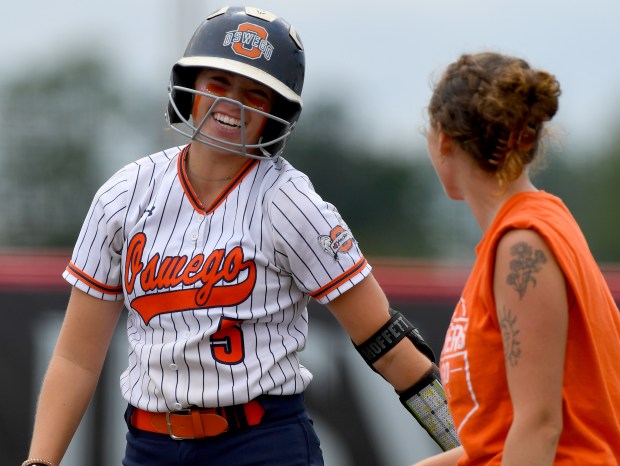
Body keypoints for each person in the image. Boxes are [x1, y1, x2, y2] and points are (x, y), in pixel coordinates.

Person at [22, 6, 459, 466]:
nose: (232, 103)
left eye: (256, 94)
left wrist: (472, 442)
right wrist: (40, 463)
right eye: (219, 83)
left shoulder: (291, 202)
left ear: (277, 114)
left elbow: (384, 341)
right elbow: (76, 359)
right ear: (188, 87)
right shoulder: (124, 194)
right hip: (149, 445)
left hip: (260, 443)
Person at [413, 51, 620, 466]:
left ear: (445, 142)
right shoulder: (531, 229)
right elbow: (502, 438)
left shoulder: (522, 245)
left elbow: (540, 427)